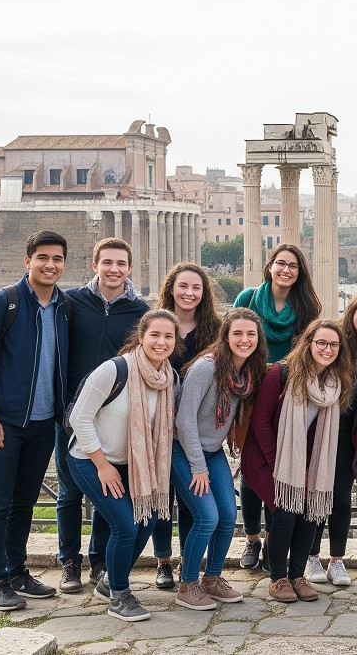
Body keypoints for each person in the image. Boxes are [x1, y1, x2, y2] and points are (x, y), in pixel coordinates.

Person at [0, 231, 70, 611]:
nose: (50, 264)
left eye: (57, 258)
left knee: (25, 502)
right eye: (43, 257)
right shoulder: (2, 303)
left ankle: (16, 570)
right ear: (27, 261)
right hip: (3, 421)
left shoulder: (64, 306)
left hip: (44, 422)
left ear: (64, 264)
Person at [67, 309, 179, 622]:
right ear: (140, 337)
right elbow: (80, 418)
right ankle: (118, 595)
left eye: (168, 336)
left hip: (132, 464)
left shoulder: (169, 378)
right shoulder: (114, 370)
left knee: (148, 519)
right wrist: (102, 466)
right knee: (126, 525)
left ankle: (109, 582)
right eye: (154, 335)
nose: (161, 342)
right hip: (90, 459)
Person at [57, 238, 149, 594]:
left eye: (120, 263)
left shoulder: (139, 311)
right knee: (68, 493)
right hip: (69, 413)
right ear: (95, 265)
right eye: (107, 262)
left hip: (113, 417)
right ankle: (69, 562)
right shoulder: (72, 302)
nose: (114, 269)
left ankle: (98, 560)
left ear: (129, 269)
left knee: (105, 492)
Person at [241, 319, 352, 603]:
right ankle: (278, 578)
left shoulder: (333, 383)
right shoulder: (282, 373)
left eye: (333, 345)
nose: (327, 349)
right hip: (266, 458)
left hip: (303, 461)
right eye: (321, 343)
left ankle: (297, 575)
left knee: (310, 516)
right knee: (285, 513)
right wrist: (279, 464)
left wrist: (306, 467)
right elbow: (261, 422)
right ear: (309, 343)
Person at [171, 308, 267, 610]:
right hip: (183, 450)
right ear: (225, 336)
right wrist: (197, 467)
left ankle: (212, 579)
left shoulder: (246, 373)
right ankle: (187, 584)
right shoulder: (207, 368)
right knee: (207, 517)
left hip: (211, 451)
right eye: (237, 333)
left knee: (228, 515)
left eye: (250, 334)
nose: (244, 339)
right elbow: (184, 420)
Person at [235, 245, 322, 570]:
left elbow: (309, 350)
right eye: (281, 263)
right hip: (251, 389)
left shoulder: (307, 305)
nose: (286, 270)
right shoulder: (246, 299)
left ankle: (273, 539)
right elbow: (234, 337)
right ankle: (252, 539)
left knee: (282, 465)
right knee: (250, 466)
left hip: (289, 393)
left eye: (293, 266)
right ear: (269, 265)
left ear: (300, 272)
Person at [306, 289, 357, 586]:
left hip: (348, 429)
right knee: (316, 490)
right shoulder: (334, 341)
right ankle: (311, 555)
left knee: (341, 495)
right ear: (352, 311)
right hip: (320, 424)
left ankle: (337, 559)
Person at [150, 262, 222, 589]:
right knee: (161, 496)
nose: (189, 293)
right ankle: (162, 559)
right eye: (183, 287)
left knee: (192, 496)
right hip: (156, 424)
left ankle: (185, 559)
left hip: (192, 425)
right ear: (171, 289)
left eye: (196, 288)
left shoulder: (214, 330)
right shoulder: (156, 324)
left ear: (204, 293)